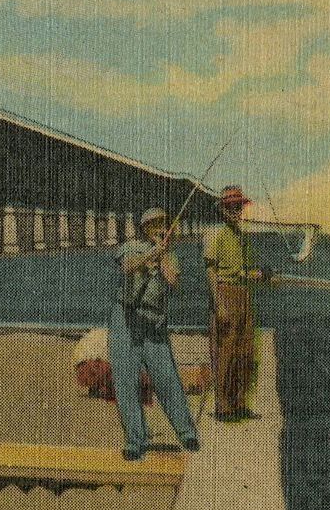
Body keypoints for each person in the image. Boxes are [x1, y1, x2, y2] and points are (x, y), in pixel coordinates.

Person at [108, 207, 200, 461]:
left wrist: (163, 255)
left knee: (167, 378)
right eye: (155, 224)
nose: (160, 228)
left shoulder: (170, 255)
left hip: (154, 323)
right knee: (126, 381)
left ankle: (186, 433)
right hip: (126, 320)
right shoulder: (130, 247)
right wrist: (150, 254)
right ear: (145, 228)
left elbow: (173, 282)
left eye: (164, 224)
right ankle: (134, 441)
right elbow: (127, 267)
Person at [204, 185, 272, 422]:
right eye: (231, 207)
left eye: (238, 207)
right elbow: (211, 272)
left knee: (245, 352)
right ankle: (223, 407)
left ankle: (240, 404)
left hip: (244, 295)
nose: (235, 211)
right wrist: (219, 305)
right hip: (225, 294)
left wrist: (261, 274)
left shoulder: (241, 236)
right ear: (222, 210)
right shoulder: (215, 234)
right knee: (226, 353)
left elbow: (243, 271)